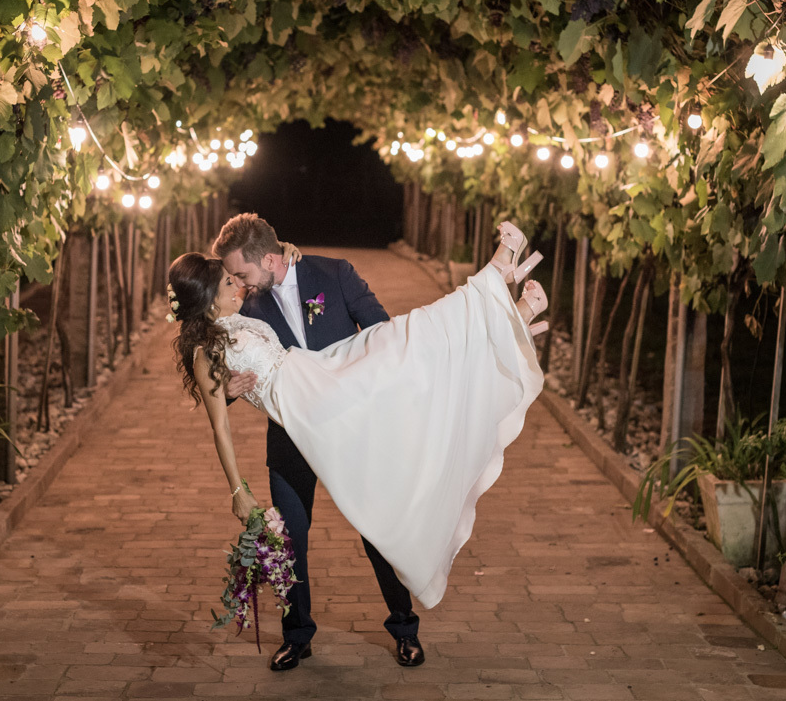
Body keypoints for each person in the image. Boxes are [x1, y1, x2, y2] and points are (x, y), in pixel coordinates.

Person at [169, 214, 546, 672]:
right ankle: (297, 636)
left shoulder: (332, 274)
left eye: (242, 276)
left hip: (348, 407)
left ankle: (404, 628)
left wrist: (380, 383)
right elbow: (220, 382)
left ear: (269, 258)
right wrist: (227, 395)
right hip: (292, 432)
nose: (241, 286)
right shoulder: (241, 307)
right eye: (233, 280)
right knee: (290, 539)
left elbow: (380, 329)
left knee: (379, 522)